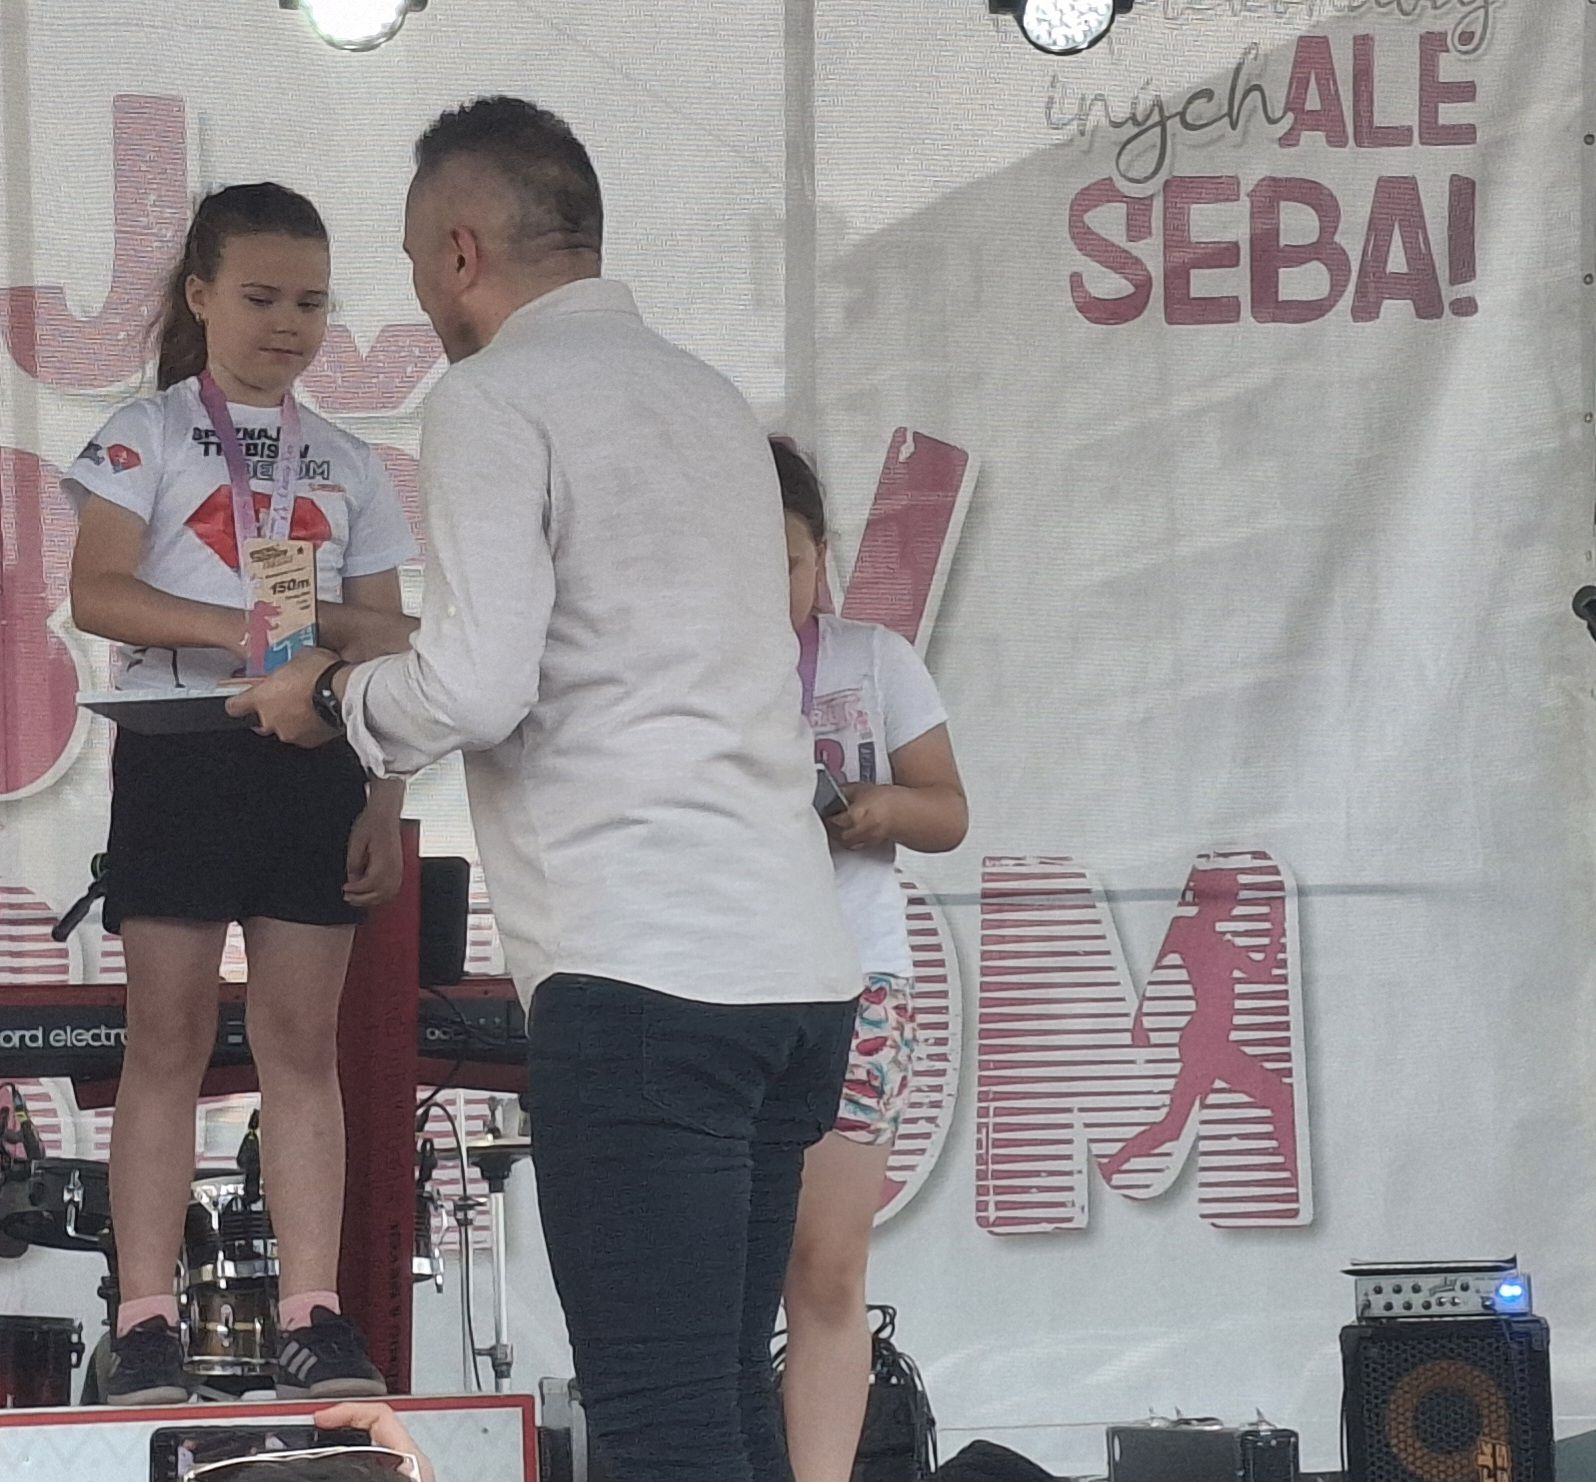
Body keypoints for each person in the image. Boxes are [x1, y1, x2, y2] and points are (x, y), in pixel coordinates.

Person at [230, 97, 860, 1482]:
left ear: (462, 250)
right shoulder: (706, 396)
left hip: (644, 966)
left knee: (659, 1421)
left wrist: (328, 698)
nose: (420, 300)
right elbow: (597, 648)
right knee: (725, 1403)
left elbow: (478, 688)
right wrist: (373, 654)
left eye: (413, 264)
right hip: (790, 965)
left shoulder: (494, 396)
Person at [64, 183, 417, 1404]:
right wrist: (247, 630)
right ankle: (145, 1320)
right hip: (179, 747)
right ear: (202, 296)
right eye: (262, 297)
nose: (288, 324)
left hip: (316, 757)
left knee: (300, 1045)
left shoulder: (350, 460)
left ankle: (315, 1312)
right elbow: (98, 594)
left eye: (311, 303)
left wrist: (385, 798)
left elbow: (392, 637)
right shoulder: (144, 433)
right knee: (164, 1041)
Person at [772, 440, 968, 1482]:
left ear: (822, 553)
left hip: (856, 984)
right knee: (721, 1278)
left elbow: (948, 811)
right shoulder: (673, 674)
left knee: (828, 1266)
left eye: (790, 562)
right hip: (715, 991)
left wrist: (882, 806)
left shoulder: (873, 659)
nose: (773, 587)